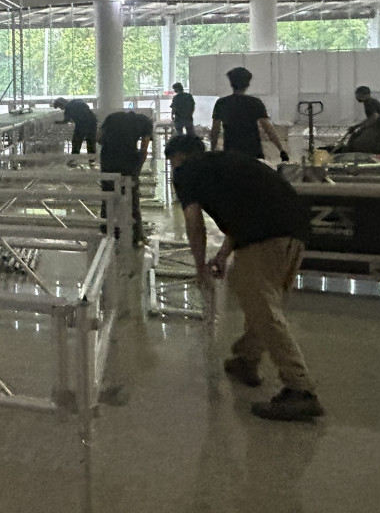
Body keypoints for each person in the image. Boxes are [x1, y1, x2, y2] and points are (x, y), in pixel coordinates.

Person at [165, 135, 322, 421]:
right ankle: (246, 359)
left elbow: (194, 223)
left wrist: (200, 268)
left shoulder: (186, 171)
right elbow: (244, 211)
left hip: (266, 236)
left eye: (172, 162)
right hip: (296, 233)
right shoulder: (229, 162)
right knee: (258, 298)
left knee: (263, 308)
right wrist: (223, 255)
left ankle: (300, 389)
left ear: (178, 157)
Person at [211, 67, 289, 162]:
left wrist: (212, 150)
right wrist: (281, 150)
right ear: (247, 84)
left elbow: (215, 131)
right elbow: (268, 129)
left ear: (231, 84)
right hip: (253, 155)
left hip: (231, 155)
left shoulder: (221, 103)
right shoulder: (255, 103)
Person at [98, 110, 152, 246]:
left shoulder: (112, 117)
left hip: (108, 161)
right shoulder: (145, 122)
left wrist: (111, 143)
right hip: (128, 163)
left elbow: (98, 138)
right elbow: (144, 149)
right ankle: (136, 236)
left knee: (108, 196)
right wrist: (137, 169)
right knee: (132, 197)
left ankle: (107, 231)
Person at [344, 85, 380, 154]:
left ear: (365, 95)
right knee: (356, 135)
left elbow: (375, 116)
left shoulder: (369, 103)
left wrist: (359, 126)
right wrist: (359, 127)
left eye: (358, 95)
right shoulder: (371, 101)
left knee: (359, 143)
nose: (357, 97)